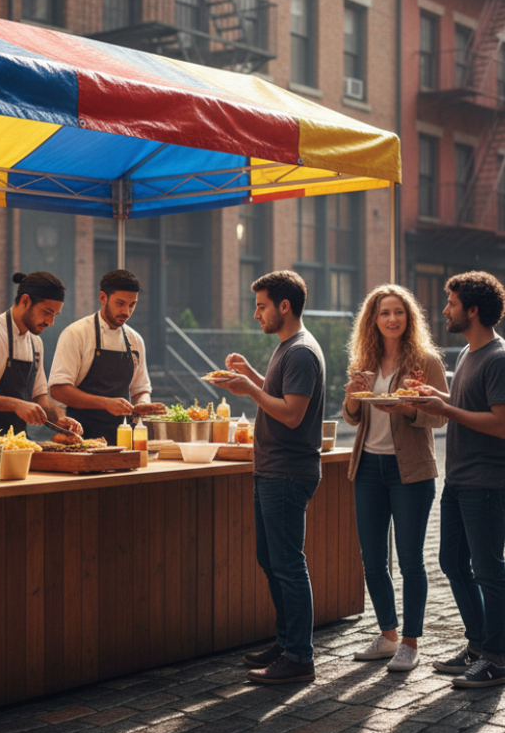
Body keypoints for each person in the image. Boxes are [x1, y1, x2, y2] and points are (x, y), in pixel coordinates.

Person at [213, 270, 325, 684]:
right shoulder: (287, 348)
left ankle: (299, 656)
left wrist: (249, 390)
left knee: (289, 565)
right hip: (271, 470)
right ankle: (287, 640)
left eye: (261, 306)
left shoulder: (300, 351)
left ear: (284, 306)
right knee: (271, 560)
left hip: (287, 472)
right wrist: (254, 377)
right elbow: (282, 397)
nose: (255, 313)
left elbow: (292, 415)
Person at [406, 271, 505, 688]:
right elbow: (465, 403)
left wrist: (445, 412)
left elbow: (500, 423)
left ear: (473, 309)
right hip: (460, 479)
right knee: (451, 561)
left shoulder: (498, 358)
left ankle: (497, 658)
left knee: (488, 571)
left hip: (487, 483)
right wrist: (433, 397)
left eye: (450, 303)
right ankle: (479, 644)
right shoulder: (469, 353)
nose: (444, 309)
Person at [342, 285, 447, 673]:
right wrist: (354, 395)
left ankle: (411, 642)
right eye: (384, 313)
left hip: (411, 472)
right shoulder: (364, 360)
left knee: (410, 560)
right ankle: (387, 635)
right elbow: (353, 416)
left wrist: (404, 408)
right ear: (373, 319)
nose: (392, 319)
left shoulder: (426, 361)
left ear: (409, 317)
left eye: (398, 312)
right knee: (371, 559)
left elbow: (439, 415)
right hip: (368, 467)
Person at [0, 271, 82, 437]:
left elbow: (39, 397)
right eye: (46, 312)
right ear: (25, 301)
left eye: (54, 315)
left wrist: (60, 420)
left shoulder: (35, 343)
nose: (50, 322)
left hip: (17, 446)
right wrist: (16, 404)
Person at [48, 269, 153, 445]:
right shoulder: (76, 334)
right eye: (120, 303)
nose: (126, 311)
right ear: (103, 298)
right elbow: (58, 390)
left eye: (132, 305)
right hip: (81, 440)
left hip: (125, 441)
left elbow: (141, 389)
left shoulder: (135, 340)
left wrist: (142, 404)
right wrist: (105, 403)